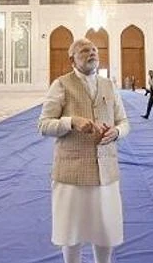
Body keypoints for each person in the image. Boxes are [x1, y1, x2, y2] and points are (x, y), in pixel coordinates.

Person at [38, 38, 130, 263]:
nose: (92, 53)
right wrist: (71, 122)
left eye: (94, 50)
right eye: (85, 50)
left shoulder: (108, 85)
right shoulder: (61, 84)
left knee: (105, 229)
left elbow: (124, 122)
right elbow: (43, 125)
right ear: (72, 59)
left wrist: (117, 132)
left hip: (106, 171)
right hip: (72, 172)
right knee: (71, 232)